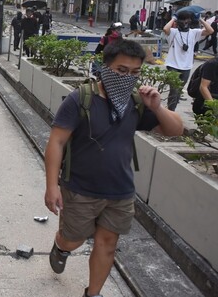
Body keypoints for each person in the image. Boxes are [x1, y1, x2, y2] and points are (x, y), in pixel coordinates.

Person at [44, 40, 183, 297]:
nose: (127, 77)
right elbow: (57, 141)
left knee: (107, 244)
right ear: (106, 67)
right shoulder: (80, 99)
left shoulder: (136, 102)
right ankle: (61, 246)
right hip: (80, 189)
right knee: (73, 239)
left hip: (120, 191)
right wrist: (52, 186)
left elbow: (175, 130)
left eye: (134, 72)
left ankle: (93, 293)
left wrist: (157, 107)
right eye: (121, 70)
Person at [163, 10, 214, 110]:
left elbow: (210, 31)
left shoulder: (194, 33)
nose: (185, 22)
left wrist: (200, 19)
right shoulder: (173, 32)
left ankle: (171, 110)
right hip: (173, 65)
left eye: (187, 20)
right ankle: (171, 111)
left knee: (179, 90)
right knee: (174, 90)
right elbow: (165, 29)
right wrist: (174, 18)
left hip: (186, 66)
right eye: (183, 20)